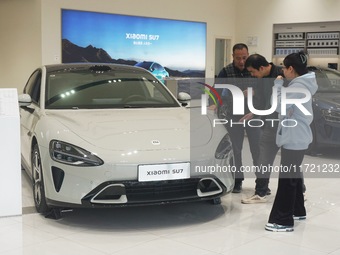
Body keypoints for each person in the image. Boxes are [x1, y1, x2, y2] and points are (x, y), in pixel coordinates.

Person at [265, 51, 317, 232]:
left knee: (287, 179)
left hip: (295, 137)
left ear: (291, 69)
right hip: (298, 137)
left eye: (284, 68)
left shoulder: (297, 87)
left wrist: (278, 85)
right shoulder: (302, 84)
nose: (282, 71)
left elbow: (277, 105)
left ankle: (282, 220)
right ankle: (297, 210)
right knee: (292, 175)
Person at [212, 43, 261, 193]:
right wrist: (213, 104)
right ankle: (237, 181)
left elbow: (264, 90)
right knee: (235, 149)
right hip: (234, 115)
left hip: (253, 114)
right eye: (238, 58)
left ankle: (261, 183)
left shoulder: (254, 69)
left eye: (244, 58)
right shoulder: (226, 72)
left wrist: (255, 92)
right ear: (233, 56)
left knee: (257, 149)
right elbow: (216, 91)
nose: (241, 61)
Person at [241, 54, 283, 203]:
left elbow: (276, 103)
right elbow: (263, 100)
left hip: (284, 125)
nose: (252, 75)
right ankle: (261, 192)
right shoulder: (262, 79)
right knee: (263, 157)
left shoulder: (281, 76)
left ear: (262, 68)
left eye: (253, 71)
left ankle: (300, 191)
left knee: (291, 160)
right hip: (269, 125)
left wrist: (256, 112)